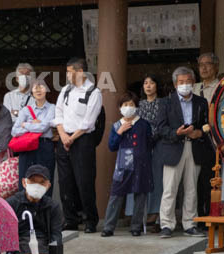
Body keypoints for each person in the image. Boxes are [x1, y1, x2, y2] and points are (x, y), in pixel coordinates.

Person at [158, 66, 211, 238]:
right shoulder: (166, 102)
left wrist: (199, 133)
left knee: (191, 188)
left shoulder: (201, 102)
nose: (185, 85)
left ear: (193, 83)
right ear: (175, 84)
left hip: (194, 147)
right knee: (170, 188)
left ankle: (190, 223)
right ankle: (166, 224)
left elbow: (206, 124)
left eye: (188, 81)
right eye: (181, 82)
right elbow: (161, 128)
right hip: (174, 147)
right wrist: (176, 133)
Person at [54, 56, 103, 233]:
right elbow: (58, 113)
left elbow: (89, 122)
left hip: (82, 140)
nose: (67, 76)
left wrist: (72, 138)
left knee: (85, 181)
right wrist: (63, 135)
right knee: (65, 181)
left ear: (80, 72)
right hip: (64, 138)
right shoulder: (66, 90)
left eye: (69, 72)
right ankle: (70, 219)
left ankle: (90, 219)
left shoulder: (93, 92)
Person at [102, 92, 153, 237]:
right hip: (123, 165)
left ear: (136, 107)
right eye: (125, 105)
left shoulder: (143, 124)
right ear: (120, 108)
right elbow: (111, 146)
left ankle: (136, 226)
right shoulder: (117, 125)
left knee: (140, 194)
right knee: (116, 194)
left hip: (142, 164)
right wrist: (119, 132)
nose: (128, 108)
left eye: (131, 105)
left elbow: (150, 143)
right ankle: (108, 227)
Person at [12, 79, 56, 187]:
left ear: (47, 90)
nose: (38, 90)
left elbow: (43, 127)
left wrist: (26, 124)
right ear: (31, 91)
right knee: (26, 181)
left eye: (41, 87)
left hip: (45, 146)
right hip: (27, 147)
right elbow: (14, 131)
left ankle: (45, 204)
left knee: (45, 181)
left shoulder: (52, 108)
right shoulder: (26, 110)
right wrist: (32, 123)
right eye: (35, 87)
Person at [138, 74, 168, 230]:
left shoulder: (164, 103)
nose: (148, 85)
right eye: (145, 82)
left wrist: (152, 137)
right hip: (143, 147)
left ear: (157, 85)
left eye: (151, 82)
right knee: (143, 180)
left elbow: (162, 124)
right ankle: (140, 214)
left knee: (157, 180)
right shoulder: (139, 105)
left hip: (159, 145)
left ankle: (155, 213)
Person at [194, 53, 221, 219]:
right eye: (200, 64)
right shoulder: (194, 88)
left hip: (213, 142)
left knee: (209, 181)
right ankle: (195, 216)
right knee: (193, 183)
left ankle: (210, 215)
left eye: (208, 64)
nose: (203, 68)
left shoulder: (222, 88)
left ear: (216, 67)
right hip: (194, 140)